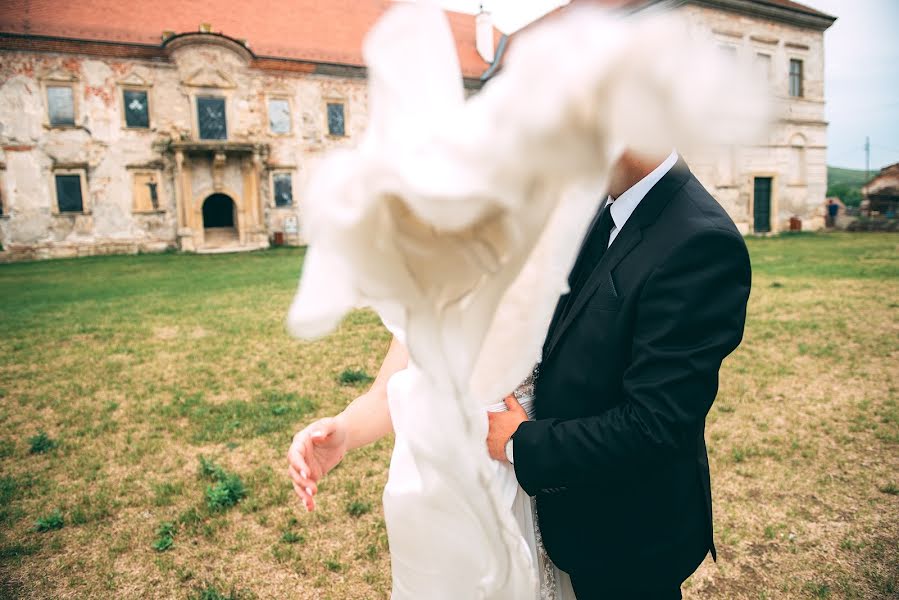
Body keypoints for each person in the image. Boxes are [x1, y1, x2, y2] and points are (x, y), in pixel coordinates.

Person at [288, 147, 750, 599]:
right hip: (445, 501)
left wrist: (516, 442)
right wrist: (344, 432)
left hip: (577, 502)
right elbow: (395, 382)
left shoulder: (681, 241)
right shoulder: (584, 214)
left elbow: (654, 421)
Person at [486, 149, 751, 598]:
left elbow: (653, 425)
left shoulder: (700, 243)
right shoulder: (604, 206)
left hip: (630, 536)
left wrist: (520, 443)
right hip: (574, 513)